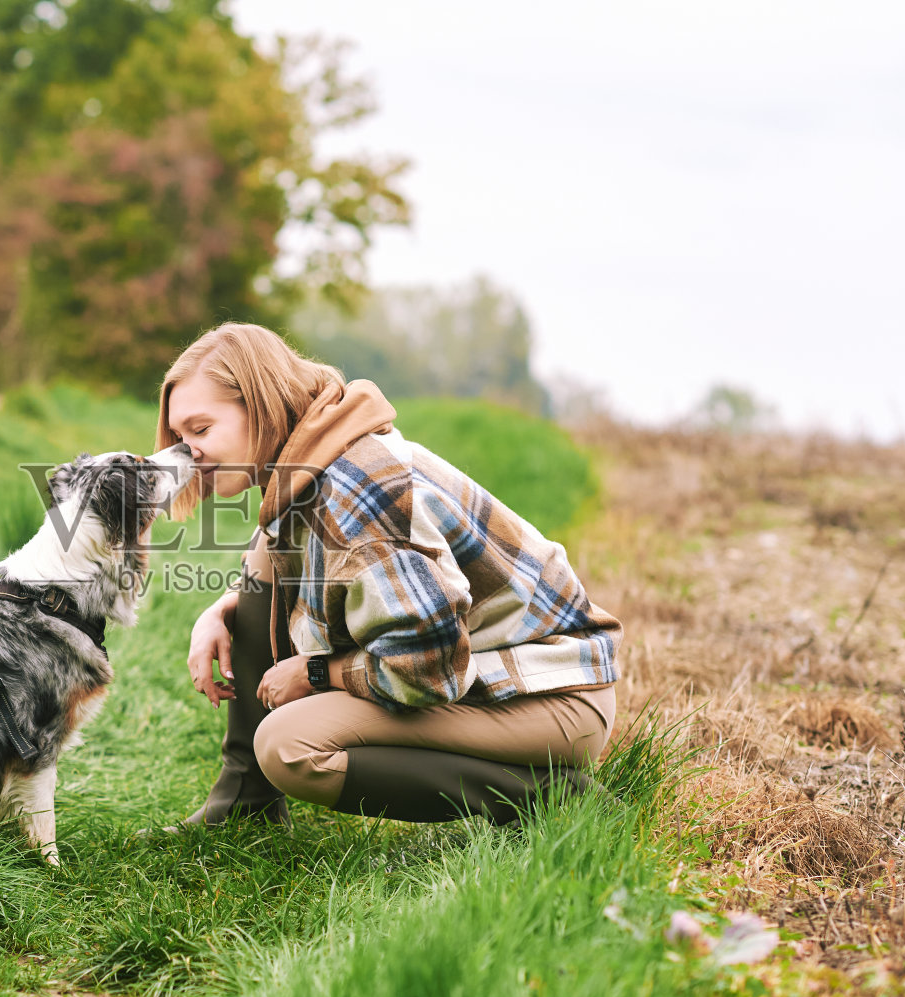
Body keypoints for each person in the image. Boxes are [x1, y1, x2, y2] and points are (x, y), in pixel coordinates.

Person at [155, 323, 622, 827]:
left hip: (546, 697)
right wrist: (222, 609)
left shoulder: (359, 498)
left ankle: (552, 796)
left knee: (290, 745)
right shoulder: (308, 470)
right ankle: (245, 804)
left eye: (200, 430)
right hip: (490, 675)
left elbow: (429, 670)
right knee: (264, 550)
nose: (186, 454)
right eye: (179, 437)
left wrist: (316, 674)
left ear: (262, 404)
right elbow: (295, 571)